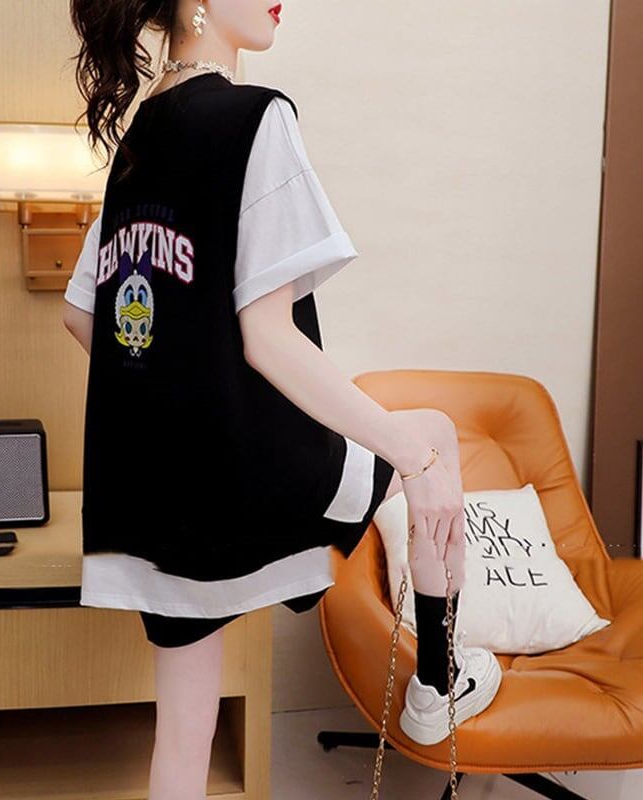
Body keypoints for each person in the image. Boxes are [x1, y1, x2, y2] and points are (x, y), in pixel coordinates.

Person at [63, 0, 501, 795]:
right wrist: (412, 457)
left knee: (182, 736)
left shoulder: (140, 139)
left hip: (155, 491)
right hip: (247, 476)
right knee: (433, 433)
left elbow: (83, 315)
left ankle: (439, 680)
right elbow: (267, 338)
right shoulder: (254, 118)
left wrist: (180, 391)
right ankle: (437, 685)